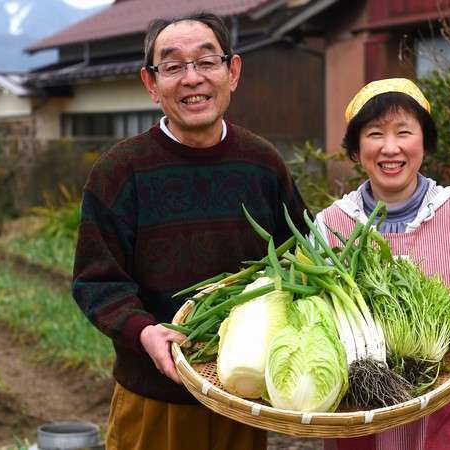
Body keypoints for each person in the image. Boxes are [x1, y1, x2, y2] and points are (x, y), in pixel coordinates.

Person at [72, 12, 308, 450]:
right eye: (173, 66)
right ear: (151, 83)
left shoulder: (263, 163)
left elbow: (300, 257)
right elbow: (96, 281)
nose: (192, 79)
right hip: (154, 396)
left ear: (232, 71)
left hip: (241, 396)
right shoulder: (120, 171)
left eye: (206, 62)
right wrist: (145, 331)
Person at [316, 78, 450, 450]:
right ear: (356, 150)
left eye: (404, 132)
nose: (391, 148)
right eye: (375, 134)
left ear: (425, 142)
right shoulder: (331, 226)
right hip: (363, 413)